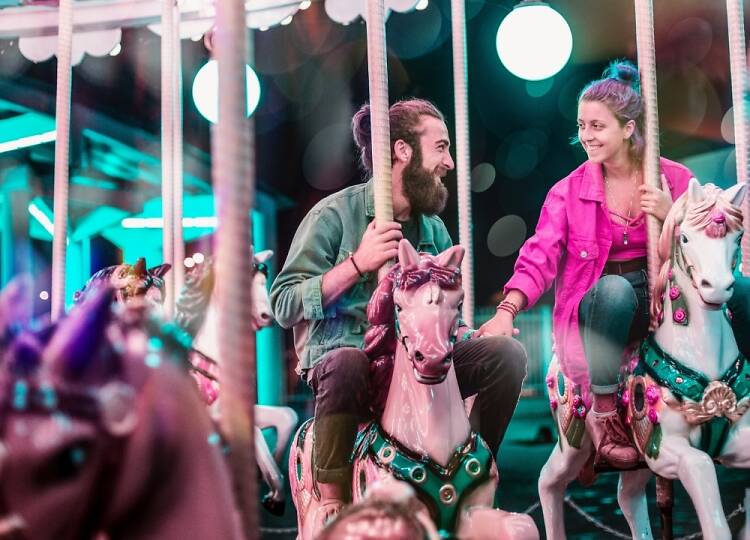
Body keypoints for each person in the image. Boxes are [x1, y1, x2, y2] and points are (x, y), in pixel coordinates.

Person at [270, 98, 528, 529]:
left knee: (506, 355)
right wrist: (357, 264)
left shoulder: (433, 230)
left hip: (417, 361)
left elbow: (444, 316)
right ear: (403, 150)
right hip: (351, 359)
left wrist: (466, 335)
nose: (448, 161)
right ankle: (331, 500)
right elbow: (283, 303)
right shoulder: (335, 215)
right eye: (441, 148)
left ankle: (474, 471)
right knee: (347, 362)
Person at [480, 59, 704, 468]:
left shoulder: (672, 179)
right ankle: (602, 410)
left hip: (664, 298)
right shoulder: (568, 193)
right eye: (582, 126)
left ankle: (733, 397)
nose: (586, 136)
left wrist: (673, 215)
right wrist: (506, 310)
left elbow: (706, 247)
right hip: (601, 308)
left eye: (597, 126)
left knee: (739, 294)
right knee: (616, 292)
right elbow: (540, 254)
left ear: (629, 128)